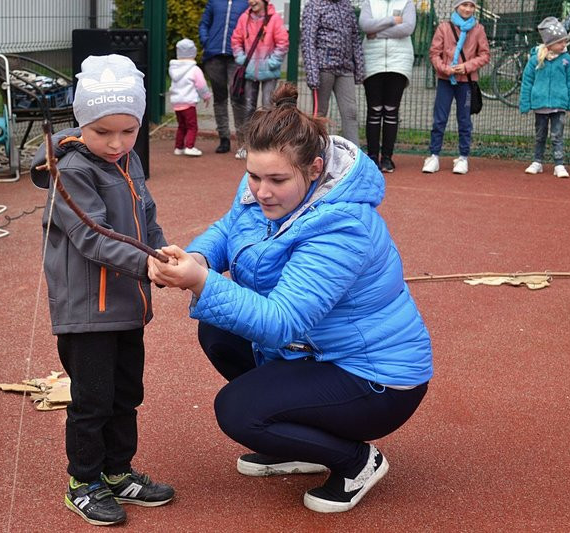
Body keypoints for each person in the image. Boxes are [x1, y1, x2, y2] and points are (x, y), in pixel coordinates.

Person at [147, 83, 432, 514]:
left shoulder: (343, 226)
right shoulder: (265, 194)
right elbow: (229, 229)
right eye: (254, 176)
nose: (262, 191)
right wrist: (199, 256)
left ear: (315, 168)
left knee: (239, 412)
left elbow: (282, 322)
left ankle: (358, 461)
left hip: (377, 379)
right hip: (320, 353)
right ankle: (301, 442)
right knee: (218, 330)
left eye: (277, 180)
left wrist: (200, 281)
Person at [30, 54, 174, 527]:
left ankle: (117, 471)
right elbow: (93, 235)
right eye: (102, 132)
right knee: (92, 399)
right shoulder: (71, 170)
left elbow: (145, 219)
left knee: (126, 393)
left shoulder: (129, 161)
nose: (116, 143)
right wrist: (149, 263)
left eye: (128, 131)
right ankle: (83, 481)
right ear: (81, 122)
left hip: (127, 304)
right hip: (87, 312)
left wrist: (162, 249)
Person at [422, 0, 489, 175]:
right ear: (456, 7)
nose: (467, 9)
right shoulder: (444, 27)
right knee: (440, 118)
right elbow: (434, 53)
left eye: (471, 6)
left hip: (466, 82)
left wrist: (466, 67)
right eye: (464, 5)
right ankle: (434, 156)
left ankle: (463, 157)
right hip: (445, 81)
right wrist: (445, 69)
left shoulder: (479, 29)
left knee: (465, 119)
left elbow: (484, 55)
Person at [519, 17, 570, 179]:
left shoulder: (568, 60)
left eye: (565, 41)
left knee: (557, 135)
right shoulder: (535, 60)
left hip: (559, 105)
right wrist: (525, 103)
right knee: (540, 135)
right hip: (540, 105)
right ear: (549, 43)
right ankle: (537, 162)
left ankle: (559, 164)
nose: (563, 45)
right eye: (560, 42)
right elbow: (527, 82)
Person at [359, 0, 417, 172]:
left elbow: (407, 28)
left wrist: (377, 33)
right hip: (372, 61)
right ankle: (372, 157)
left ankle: (387, 158)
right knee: (374, 110)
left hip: (399, 63)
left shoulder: (407, 3)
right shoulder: (369, 3)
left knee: (391, 111)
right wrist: (392, 20)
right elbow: (365, 25)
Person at [231, 0, 290, 159]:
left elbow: (283, 42)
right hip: (250, 72)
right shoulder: (244, 18)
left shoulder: (274, 19)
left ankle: (267, 145)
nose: (251, 1)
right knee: (248, 108)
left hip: (269, 72)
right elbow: (236, 40)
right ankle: (246, 145)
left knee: (268, 107)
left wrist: (273, 62)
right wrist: (243, 60)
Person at [301, 0, 363, 148]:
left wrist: (359, 68)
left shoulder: (346, 6)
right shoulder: (314, 5)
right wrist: (312, 73)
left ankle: (354, 153)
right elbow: (308, 41)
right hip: (323, 68)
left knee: (351, 111)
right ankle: (317, 150)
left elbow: (355, 38)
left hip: (345, 68)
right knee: (320, 114)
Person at [199, 0, 249, 154]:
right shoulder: (214, 2)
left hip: (236, 57)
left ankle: (242, 141)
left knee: (238, 98)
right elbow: (204, 24)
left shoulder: (245, 3)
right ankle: (224, 138)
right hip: (214, 56)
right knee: (220, 99)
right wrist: (206, 42)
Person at [169, 38, 213, 157]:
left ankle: (178, 147)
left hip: (177, 102)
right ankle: (189, 146)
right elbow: (201, 85)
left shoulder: (174, 68)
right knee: (192, 126)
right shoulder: (194, 69)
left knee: (181, 125)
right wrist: (206, 96)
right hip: (188, 103)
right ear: (193, 53)